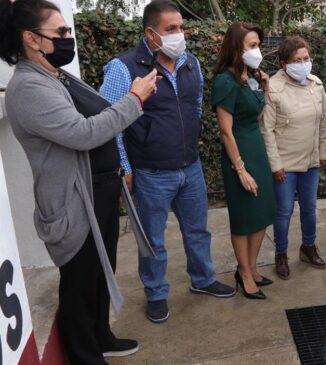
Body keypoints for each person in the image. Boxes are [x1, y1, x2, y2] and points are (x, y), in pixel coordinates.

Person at [1, 0, 158, 363]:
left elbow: (99, 112)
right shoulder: (28, 87)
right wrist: (135, 98)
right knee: (80, 281)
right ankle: (85, 354)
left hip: (99, 191)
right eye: (60, 32)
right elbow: (83, 133)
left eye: (68, 31)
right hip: (73, 203)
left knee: (102, 272)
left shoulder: (57, 76)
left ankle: (100, 335)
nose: (68, 38)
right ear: (31, 39)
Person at [100, 0, 235, 324]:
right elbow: (109, 122)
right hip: (150, 173)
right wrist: (125, 167)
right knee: (153, 240)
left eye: (181, 28)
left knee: (198, 231)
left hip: (190, 167)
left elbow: (196, 107)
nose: (180, 35)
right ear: (150, 33)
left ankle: (203, 280)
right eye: (171, 29)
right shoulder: (124, 68)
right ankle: (156, 293)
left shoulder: (191, 64)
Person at [212, 22, 276, 299]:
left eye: (258, 45)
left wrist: (265, 86)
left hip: (256, 148)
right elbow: (225, 131)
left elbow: (258, 115)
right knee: (243, 217)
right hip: (237, 152)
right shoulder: (225, 81)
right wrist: (240, 170)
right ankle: (244, 272)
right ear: (237, 48)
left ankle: (251, 267)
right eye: (252, 45)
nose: (257, 50)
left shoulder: (251, 76)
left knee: (261, 212)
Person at [260, 36, 326, 280]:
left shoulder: (316, 85)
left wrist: (323, 152)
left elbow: (324, 122)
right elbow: (266, 130)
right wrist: (275, 165)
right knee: (284, 211)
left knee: (310, 208)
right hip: (285, 164)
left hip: (311, 161)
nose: (303, 64)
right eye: (296, 60)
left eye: (306, 59)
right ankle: (281, 254)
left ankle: (308, 247)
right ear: (283, 63)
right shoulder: (273, 88)